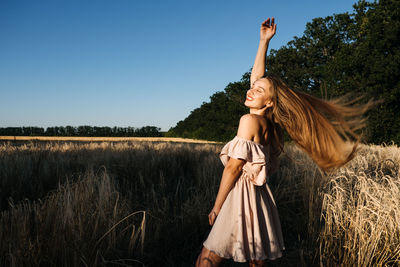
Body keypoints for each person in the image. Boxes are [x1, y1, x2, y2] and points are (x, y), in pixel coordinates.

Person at [195, 17, 382, 267]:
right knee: (255, 258)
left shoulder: (248, 122)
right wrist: (264, 42)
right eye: (253, 87)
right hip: (259, 198)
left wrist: (217, 207)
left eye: (258, 91)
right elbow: (257, 77)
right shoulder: (272, 129)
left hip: (240, 196)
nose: (251, 90)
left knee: (208, 257)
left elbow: (233, 167)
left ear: (270, 102)